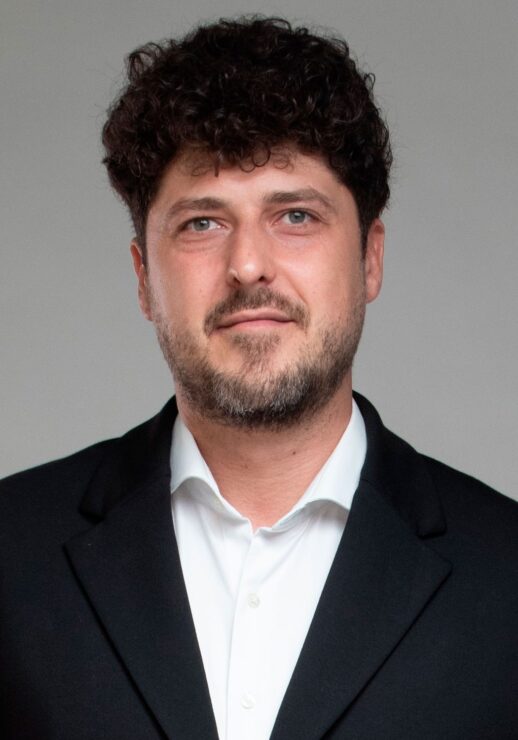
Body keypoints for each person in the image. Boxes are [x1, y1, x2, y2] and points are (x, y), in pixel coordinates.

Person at [0, 16, 516, 740]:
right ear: (144, 277)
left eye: (295, 215)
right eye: (202, 224)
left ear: (370, 259)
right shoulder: (11, 552)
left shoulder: (507, 576)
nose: (248, 265)